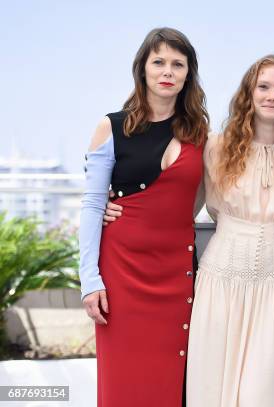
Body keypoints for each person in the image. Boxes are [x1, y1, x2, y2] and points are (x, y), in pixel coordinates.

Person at [108, 55, 274, 406]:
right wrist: (113, 207)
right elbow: (176, 207)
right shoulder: (215, 147)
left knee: (265, 393)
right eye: (263, 86)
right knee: (211, 390)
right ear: (248, 94)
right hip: (220, 282)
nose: (272, 95)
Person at [78, 27, 209, 406]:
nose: (167, 71)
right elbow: (90, 204)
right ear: (143, 69)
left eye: (177, 64)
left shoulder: (201, 134)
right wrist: (90, 280)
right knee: (123, 383)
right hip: (121, 275)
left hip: (177, 274)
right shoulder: (111, 127)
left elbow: (208, 197)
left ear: (188, 73)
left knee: (174, 382)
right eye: (159, 62)